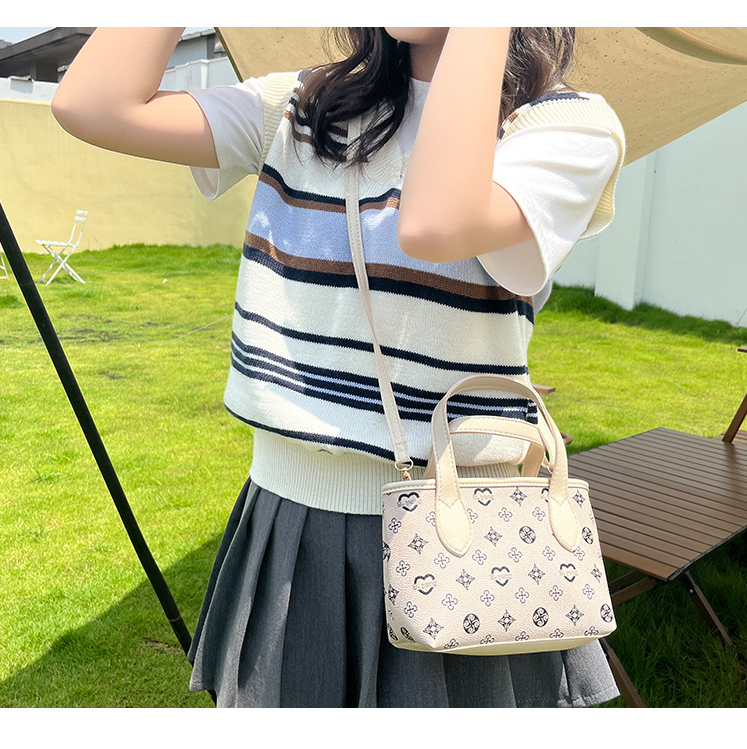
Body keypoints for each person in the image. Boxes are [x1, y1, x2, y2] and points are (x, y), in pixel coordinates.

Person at [52, 27, 625, 708]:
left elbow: (437, 222)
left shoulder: (563, 126)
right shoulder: (305, 105)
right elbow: (92, 104)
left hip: (467, 538)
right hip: (290, 522)